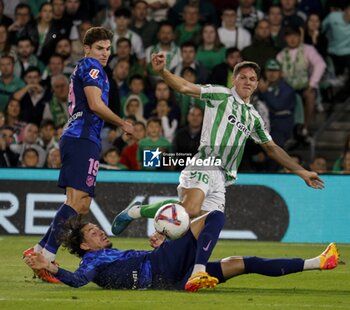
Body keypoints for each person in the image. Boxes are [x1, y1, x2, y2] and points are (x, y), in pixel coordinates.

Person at [112, 54, 325, 286]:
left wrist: (302, 171)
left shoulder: (253, 117)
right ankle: (188, 261)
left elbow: (272, 148)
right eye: (243, 77)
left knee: (212, 220)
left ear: (257, 83)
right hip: (205, 162)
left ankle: (187, 261)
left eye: (252, 79)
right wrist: (162, 72)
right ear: (234, 80)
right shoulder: (221, 95)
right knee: (190, 209)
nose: (248, 82)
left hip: (222, 178)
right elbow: (185, 86)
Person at [22, 27, 134, 283]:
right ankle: (46, 258)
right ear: (87, 49)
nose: (105, 54)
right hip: (82, 137)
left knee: (81, 204)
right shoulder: (93, 68)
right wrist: (122, 123)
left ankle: (39, 250)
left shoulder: (90, 68)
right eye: (99, 48)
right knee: (75, 201)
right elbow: (95, 104)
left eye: (108, 48)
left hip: (86, 137)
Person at [24, 213, 340, 292]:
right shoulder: (94, 260)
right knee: (213, 216)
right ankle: (199, 269)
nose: (101, 231)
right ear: (83, 246)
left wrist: (163, 245)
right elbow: (79, 281)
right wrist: (50, 268)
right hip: (164, 269)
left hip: (170, 278)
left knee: (244, 263)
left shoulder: (108, 256)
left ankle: (319, 262)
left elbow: (125, 267)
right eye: (93, 232)